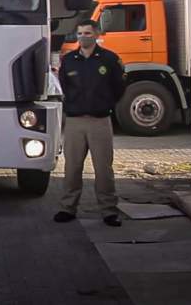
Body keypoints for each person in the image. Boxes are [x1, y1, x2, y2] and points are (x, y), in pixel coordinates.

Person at [55, 19, 126, 227]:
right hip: (75, 122)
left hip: (100, 121)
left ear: (96, 34)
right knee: (72, 169)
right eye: (79, 33)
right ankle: (67, 208)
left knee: (103, 169)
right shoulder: (69, 60)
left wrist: (104, 104)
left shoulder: (109, 59)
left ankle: (109, 211)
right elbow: (64, 87)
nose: (82, 37)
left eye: (87, 33)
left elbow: (119, 88)